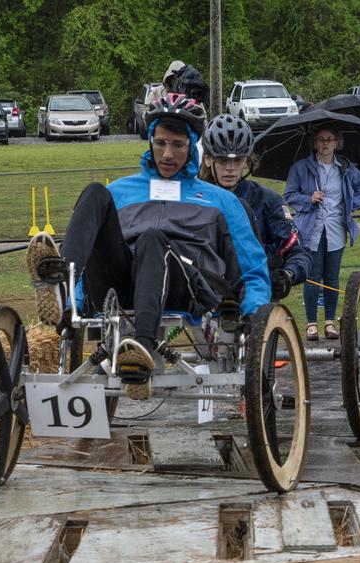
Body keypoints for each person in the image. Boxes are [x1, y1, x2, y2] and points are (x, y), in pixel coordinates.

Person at [26, 94, 270, 401]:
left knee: (153, 239)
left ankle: (141, 347)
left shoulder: (222, 201)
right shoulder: (121, 191)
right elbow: (97, 254)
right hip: (122, 283)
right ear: (150, 142)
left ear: (192, 145)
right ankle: (61, 286)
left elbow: (252, 266)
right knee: (95, 192)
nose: (167, 154)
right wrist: (73, 306)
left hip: (186, 286)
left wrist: (254, 314)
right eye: (160, 143)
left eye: (178, 145)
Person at [199, 114, 309, 304]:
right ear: (208, 160)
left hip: (257, 295)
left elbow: (297, 250)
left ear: (247, 161)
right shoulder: (197, 199)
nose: (230, 168)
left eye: (238, 160)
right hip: (208, 294)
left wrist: (287, 275)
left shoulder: (268, 200)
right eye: (223, 160)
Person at [284, 125, 360, 341]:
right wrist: (309, 199)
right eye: (321, 139)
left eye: (330, 139)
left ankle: (330, 322)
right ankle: (311, 323)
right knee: (313, 276)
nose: (325, 143)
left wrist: (349, 205)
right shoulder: (301, 167)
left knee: (332, 277)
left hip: (336, 228)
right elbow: (290, 194)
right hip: (310, 229)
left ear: (337, 142)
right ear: (315, 143)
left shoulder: (345, 167)